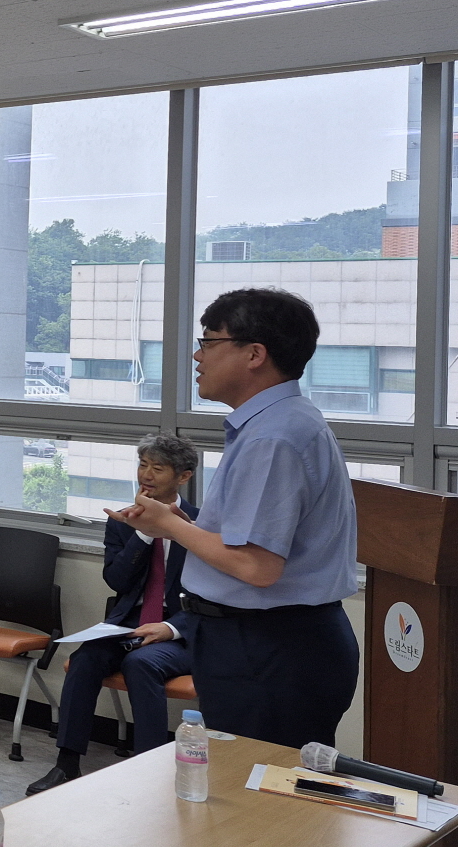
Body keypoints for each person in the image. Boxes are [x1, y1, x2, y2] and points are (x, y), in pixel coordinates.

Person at [107, 287, 359, 751]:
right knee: (250, 793)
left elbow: (255, 567)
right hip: (260, 641)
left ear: (255, 354)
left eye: (209, 342)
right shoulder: (279, 423)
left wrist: (169, 524)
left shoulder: (274, 437)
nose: (197, 357)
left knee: (262, 802)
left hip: (271, 647)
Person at [28, 434, 199, 795]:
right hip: (130, 626)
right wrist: (143, 533)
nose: (146, 475)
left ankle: (150, 772)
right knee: (86, 658)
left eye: (158, 468)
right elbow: (116, 580)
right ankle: (66, 763)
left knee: (142, 664)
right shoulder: (123, 521)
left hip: (182, 633)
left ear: (183, 477)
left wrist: (170, 628)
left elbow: (212, 597)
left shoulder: (201, 526)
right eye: (142, 465)